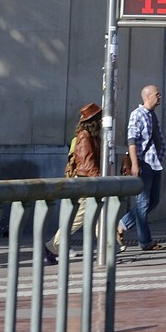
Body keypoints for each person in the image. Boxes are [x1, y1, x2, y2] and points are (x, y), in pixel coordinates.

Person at [49, 103, 103, 259]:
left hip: (90, 180)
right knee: (78, 218)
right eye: (99, 118)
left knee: (101, 215)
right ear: (93, 120)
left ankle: (108, 247)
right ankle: (52, 246)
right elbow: (87, 162)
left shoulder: (93, 136)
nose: (101, 121)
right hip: (86, 181)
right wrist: (100, 179)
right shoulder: (84, 136)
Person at [117, 83, 165, 253]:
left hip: (155, 163)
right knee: (143, 203)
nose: (159, 96)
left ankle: (122, 224)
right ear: (147, 96)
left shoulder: (152, 115)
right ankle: (146, 241)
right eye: (157, 94)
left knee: (154, 201)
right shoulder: (137, 114)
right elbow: (131, 140)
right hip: (144, 163)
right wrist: (135, 164)